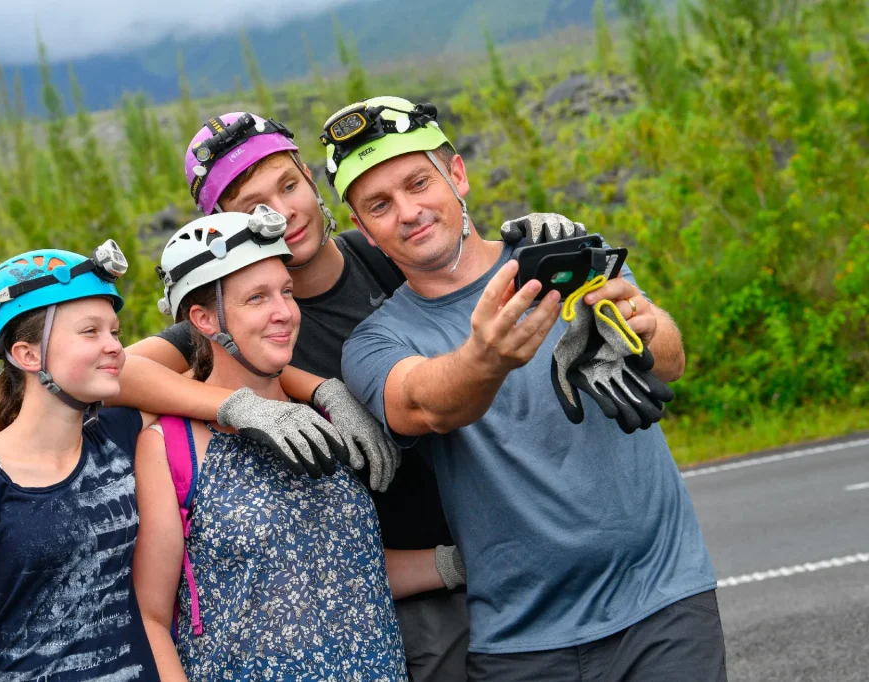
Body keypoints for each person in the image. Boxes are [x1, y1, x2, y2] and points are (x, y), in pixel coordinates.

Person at [327, 96, 727, 682]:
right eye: (380, 205)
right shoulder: (375, 341)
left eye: (418, 183)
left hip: (663, 602)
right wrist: (484, 357)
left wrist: (641, 326)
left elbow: (671, 359)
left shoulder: (564, 257)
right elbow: (423, 402)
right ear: (363, 230)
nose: (409, 211)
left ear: (456, 175)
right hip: (522, 644)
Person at [125, 111, 472, 681]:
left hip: (475, 547)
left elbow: (466, 251)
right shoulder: (236, 318)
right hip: (390, 600)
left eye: (289, 185)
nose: (281, 213)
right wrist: (249, 404)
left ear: (311, 180)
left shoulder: (382, 254)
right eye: (249, 206)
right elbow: (117, 372)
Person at [132, 208, 407, 680]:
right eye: (256, 298)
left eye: (286, 291)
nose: (283, 312)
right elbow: (152, 617)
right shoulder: (169, 445)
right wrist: (240, 407)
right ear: (202, 317)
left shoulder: (328, 415)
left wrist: (451, 563)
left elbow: (348, 567)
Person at [0, 241, 163, 680]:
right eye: (90, 332)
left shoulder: (117, 434)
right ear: (27, 355)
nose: (115, 346)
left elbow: (191, 348)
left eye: (115, 331)